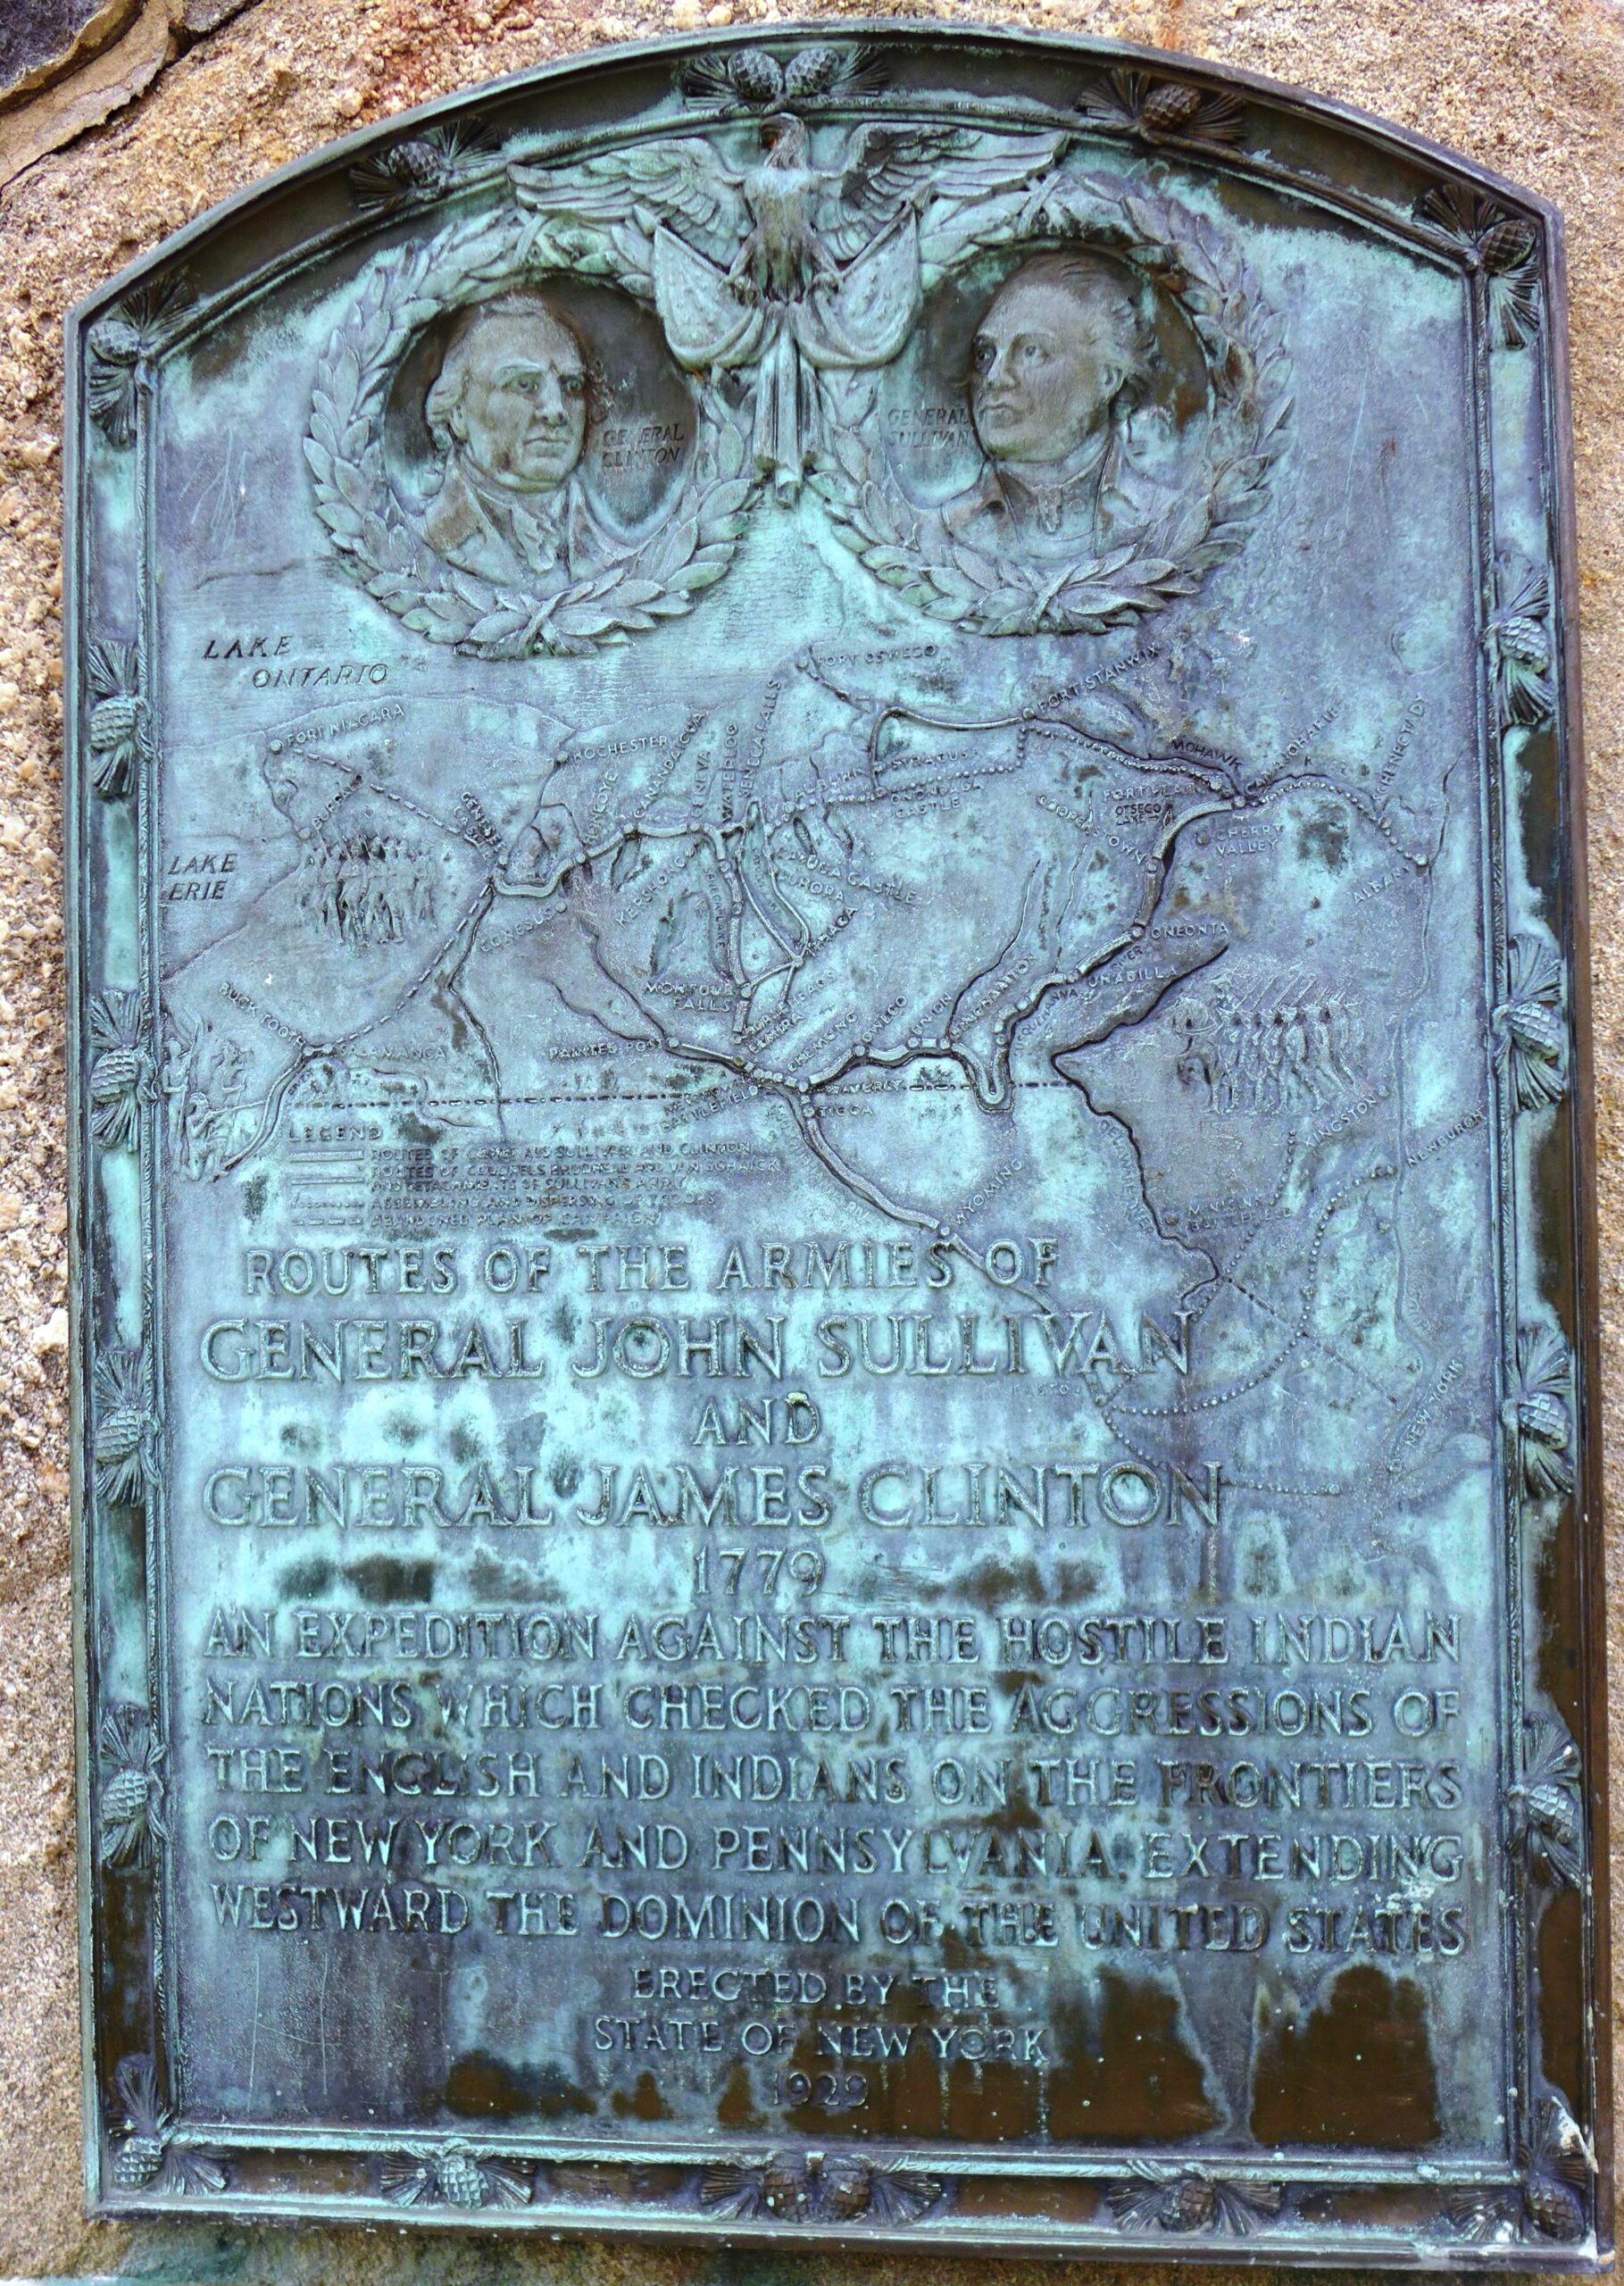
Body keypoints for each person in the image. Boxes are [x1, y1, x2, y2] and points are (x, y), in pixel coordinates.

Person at [941, 250, 1166, 559]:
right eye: (985, 354)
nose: (994, 377)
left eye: (1031, 351)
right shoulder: (952, 525)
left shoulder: (1157, 509)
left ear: (1108, 377)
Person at [421, 293, 618, 586]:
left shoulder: (613, 550)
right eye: (524, 384)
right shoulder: (429, 534)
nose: (556, 410)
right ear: (458, 412)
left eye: (571, 385)